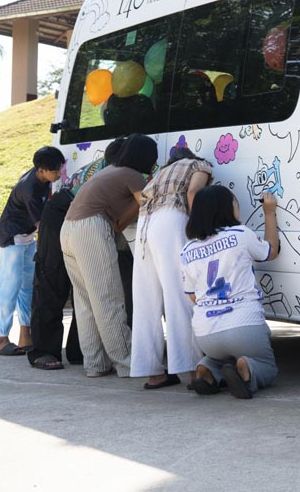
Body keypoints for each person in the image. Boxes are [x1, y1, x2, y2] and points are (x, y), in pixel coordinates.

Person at [60, 133, 157, 377]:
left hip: (68, 229)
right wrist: (151, 188)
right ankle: (129, 362)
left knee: (85, 302)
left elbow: (118, 224)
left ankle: (96, 363)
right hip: (90, 229)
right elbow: (148, 204)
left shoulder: (109, 171)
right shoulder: (132, 175)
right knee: (108, 298)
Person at [27, 137, 127, 370]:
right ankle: (43, 350)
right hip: (61, 212)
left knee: (84, 286)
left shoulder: (115, 167)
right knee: (52, 280)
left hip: (83, 217)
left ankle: (79, 349)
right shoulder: (118, 171)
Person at [181, 185, 280, 399]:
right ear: (226, 208)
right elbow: (271, 251)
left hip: (206, 333)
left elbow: (192, 296)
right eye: (235, 202)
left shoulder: (187, 250)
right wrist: (269, 213)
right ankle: (247, 369)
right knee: (266, 366)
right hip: (244, 325)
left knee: (219, 358)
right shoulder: (241, 234)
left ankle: (207, 370)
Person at [131, 146, 212, 389]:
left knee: (146, 300)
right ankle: (195, 371)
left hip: (145, 226)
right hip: (172, 221)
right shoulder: (199, 165)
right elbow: (193, 191)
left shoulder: (161, 173)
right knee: (180, 295)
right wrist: (201, 230)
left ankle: (152, 372)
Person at [0, 146, 65, 356]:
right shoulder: (30, 189)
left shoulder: (43, 180)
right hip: (12, 237)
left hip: (27, 236)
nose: (59, 174)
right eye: (55, 171)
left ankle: (25, 336)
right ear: (42, 170)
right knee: (9, 287)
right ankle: (1, 339)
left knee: (28, 288)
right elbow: (42, 223)